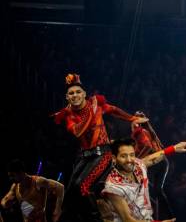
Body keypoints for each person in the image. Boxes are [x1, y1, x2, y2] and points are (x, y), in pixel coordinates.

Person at [52, 73, 147, 222]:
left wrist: (132, 118)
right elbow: (78, 131)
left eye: (78, 92)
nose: (75, 95)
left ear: (84, 94)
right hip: (84, 157)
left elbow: (114, 110)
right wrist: (92, 111)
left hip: (103, 154)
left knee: (82, 187)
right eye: (71, 93)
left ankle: (98, 219)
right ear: (67, 97)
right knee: (70, 192)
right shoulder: (69, 115)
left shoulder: (97, 104)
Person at [101, 138, 186, 222]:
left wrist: (174, 148)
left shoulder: (137, 166)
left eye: (132, 155)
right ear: (114, 158)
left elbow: (151, 159)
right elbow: (128, 220)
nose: (129, 160)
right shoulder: (113, 187)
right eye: (123, 156)